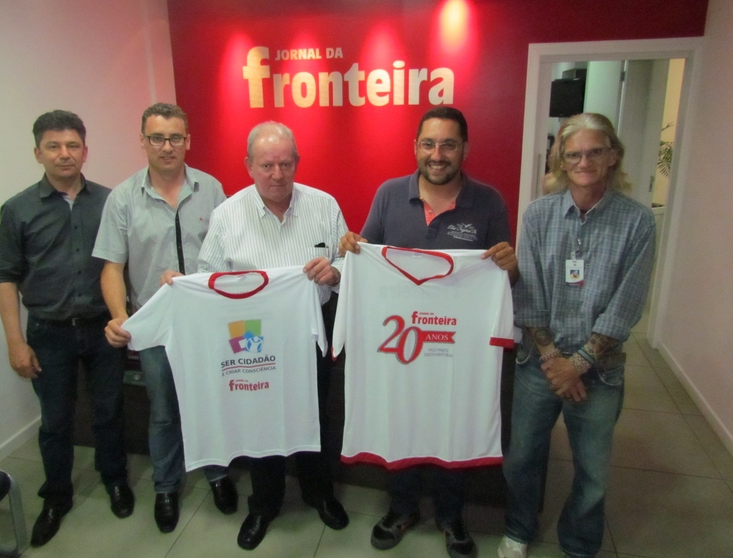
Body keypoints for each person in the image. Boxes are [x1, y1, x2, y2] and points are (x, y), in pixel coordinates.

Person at [339, 106, 518, 558]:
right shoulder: (389, 194)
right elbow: (367, 251)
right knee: (400, 417)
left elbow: (503, 280)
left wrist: (509, 267)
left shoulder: (489, 202)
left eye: (448, 145)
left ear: (464, 149)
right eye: (428, 144)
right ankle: (401, 509)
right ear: (415, 147)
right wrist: (353, 247)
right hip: (398, 343)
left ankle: (450, 515)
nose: (437, 154)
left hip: (456, 347)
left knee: (453, 421)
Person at [186, 121, 350, 550]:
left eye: (285, 164)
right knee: (259, 417)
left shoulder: (324, 206)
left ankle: (319, 493)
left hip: (310, 330)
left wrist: (335, 272)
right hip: (251, 335)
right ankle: (264, 504)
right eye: (266, 165)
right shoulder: (227, 215)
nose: (277, 175)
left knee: (316, 414)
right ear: (248, 166)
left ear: (297, 162)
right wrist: (180, 286)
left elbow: (348, 265)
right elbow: (208, 279)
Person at [498, 113, 656, 558]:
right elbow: (529, 292)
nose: (583, 162)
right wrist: (553, 360)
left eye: (594, 152)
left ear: (613, 156)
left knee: (592, 472)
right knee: (522, 458)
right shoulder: (538, 215)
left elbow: (626, 303)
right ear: (561, 161)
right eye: (573, 154)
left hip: (599, 372)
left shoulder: (638, 222)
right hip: (539, 363)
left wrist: (579, 364)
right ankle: (519, 529)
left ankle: (580, 545)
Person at [92, 103, 237, 533]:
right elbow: (112, 266)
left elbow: (231, 252)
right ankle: (167, 486)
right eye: (157, 138)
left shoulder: (212, 189)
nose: (167, 146)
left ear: (188, 140)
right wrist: (121, 317)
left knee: (211, 401)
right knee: (163, 410)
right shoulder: (122, 198)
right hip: (155, 324)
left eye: (175, 137)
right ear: (143, 141)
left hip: (207, 321)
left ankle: (218, 474)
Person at [0, 110, 133, 547]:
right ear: (38, 153)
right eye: (53, 146)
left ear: (85, 151)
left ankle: (115, 480)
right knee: (55, 420)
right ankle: (56, 496)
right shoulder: (17, 210)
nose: (64, 154)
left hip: (101, 328)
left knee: (109, 411)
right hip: (48, 332)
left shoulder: (110, 201)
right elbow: (5, 277)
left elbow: (121, 264)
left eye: (73, 145)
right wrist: (15, 342)